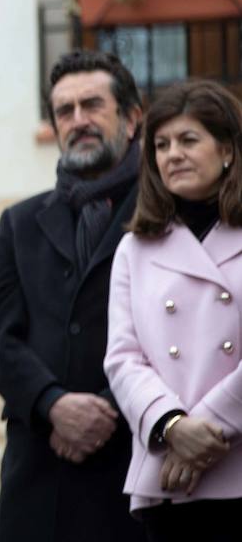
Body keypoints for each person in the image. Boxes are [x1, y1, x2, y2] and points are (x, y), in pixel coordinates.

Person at [0, 50, 147, 542]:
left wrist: (106, 411)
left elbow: (185, 333)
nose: (78, 120)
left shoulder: (168, 216)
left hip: (137, 473)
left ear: (132, 119)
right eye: (65, 111)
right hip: (41, 482)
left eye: (93, 105)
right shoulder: (21, 223)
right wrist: (52, 403)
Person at [104, 79, 242, 542]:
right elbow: (123, 358)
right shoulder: (134, 248)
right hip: (169, 477)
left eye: (188, 140)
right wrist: (171, 424)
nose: (172, 155)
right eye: (161, 145)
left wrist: (206, 434)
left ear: (226, 150)